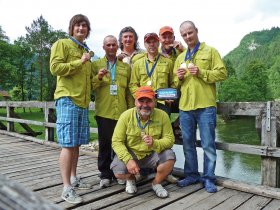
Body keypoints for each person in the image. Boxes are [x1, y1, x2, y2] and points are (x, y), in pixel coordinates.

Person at [174, 20, 227, 193]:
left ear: (196, 31)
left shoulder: (211, 51)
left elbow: (222, 73)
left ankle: (209, 178)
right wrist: (179, 78)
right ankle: (191, 175)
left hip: (206, 107)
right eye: (184, 35)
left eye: (190, 33)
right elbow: (175, 83)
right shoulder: (180, 57)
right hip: (185, 108)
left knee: (208, 145)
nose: (187, 37)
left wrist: (202, 72)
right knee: (188, 143)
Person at [50, 14, 94, 204]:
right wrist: (80, 61)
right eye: (78, 25)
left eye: (85, 26)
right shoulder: (62, 44)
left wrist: (98, 77)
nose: (81, 28)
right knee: (68, 144)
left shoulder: (86, 50)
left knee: (75, 143)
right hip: (67, 98)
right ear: (71, 28)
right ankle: (66, 187)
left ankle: (74, 179)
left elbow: (87, 80)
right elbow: (55, 68)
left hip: (82, 102)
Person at [110, 86, 176, 198]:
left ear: (154, 101)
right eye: (141, 101)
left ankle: (156, 183)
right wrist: (128, 159)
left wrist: (155, 143)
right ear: (135, 101)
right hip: (132, 153)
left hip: (153, 153)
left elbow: (170, 140)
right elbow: (116, 141)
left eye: (149, 101)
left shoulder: (163, 115)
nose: (145, 105)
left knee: (170, 157)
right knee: (119, 172)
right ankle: (131, 179)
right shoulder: (125, 116)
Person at [92, 35, 133, 188]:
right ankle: (105, 174)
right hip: (104, 112)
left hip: (122, 113)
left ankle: (119, 172)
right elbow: (90, 86)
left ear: (118, 46)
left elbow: (128, 91)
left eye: (114, 45)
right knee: (104, 145)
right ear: (103, 47)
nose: (111, 47)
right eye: (108, 45)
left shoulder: (125, 67)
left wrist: (130, 111)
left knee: (121, 144)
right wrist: (99, 77)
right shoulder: (95, 65)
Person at [129, 32, 174, 116]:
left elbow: (173, 83)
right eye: (148, 42)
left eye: (154, 42)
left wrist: (170, 96)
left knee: (162, 128)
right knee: (143, 128)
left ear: (159, 43)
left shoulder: (168, 62)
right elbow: (132, 85)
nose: (151, 44)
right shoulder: (138, 64)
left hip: (162, 103)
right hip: (144, 104)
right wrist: (141, 97)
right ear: (145, 45)